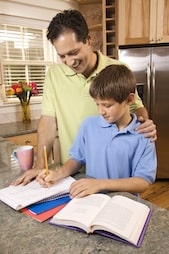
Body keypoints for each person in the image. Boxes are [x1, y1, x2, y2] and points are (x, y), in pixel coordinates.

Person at [12, 9, 157, 186]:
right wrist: (40, 165)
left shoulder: (117, 69)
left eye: (73, 53)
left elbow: (136, 108)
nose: (69, 62)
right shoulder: (54, 75)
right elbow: (48, 121)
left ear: (89, 40)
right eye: (62, 56)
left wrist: (145, 124)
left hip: (115, 176)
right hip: (71, 170)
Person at [37, 64, 157, 197]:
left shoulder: (144, 134)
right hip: (91, 199)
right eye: (97, 104)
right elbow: (76, 159)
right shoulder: (89, 125)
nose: (101, 111)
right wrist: (57, 174)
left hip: (124, 203)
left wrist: (100, 184)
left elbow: (143, 181)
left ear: (129, 99)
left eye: (107, 105)